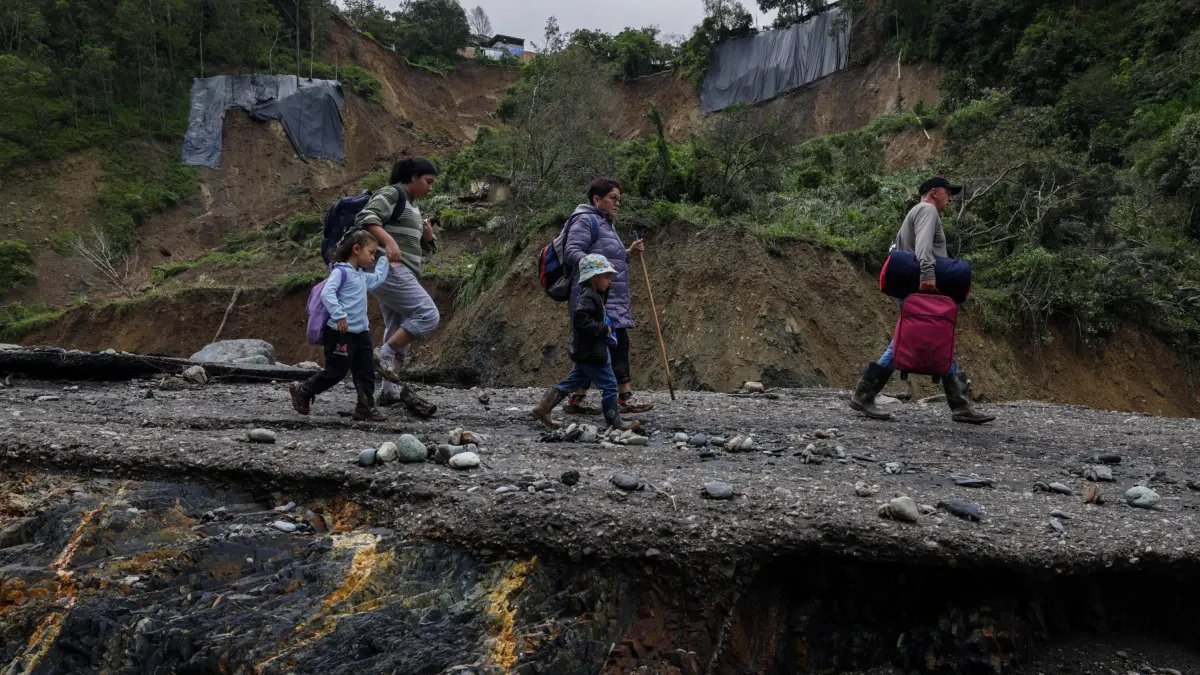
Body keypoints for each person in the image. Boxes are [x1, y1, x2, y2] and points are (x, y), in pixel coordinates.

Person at [850, 176, 995, 424]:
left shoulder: (918, 211)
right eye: (948, 193)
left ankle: (960, 405)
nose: (950, 198)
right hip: (922, 285)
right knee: (914, 341)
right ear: (934, 192)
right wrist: (928, 276)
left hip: (911, 287)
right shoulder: (928, 210)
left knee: (929, 339)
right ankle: (864, 396)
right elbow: (924, 248)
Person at [356, 157, 441, 418]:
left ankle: (388, 390)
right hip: (389, 268)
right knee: (428, 315)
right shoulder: (393, 193)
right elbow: (366, 217)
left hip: (403, 271)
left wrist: (427, 237)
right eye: (428, 181)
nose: (430, 188)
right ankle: (383, 354)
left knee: (397, 327)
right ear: (414, 176)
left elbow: (420, 251)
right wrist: (389, 242)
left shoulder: (412, 207)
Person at [561, 178, 653, 415]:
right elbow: (572, 252)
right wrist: (599, 268)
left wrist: (628, 253)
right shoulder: (586, 220)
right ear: (596, 199)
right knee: (614, 343)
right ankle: (624, 397)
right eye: (613, 198)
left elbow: (606, 257)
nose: (617, 203)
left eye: (619, 199)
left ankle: (577, 397)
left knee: (602, 345)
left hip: (611, 296)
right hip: (594, 297)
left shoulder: (606, 224)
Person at [289, 230, 390, 421]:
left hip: (361, 332)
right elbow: (328, 293)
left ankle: (365, 407)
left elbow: (376, 279)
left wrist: (385, 259)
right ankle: (303, 389)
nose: (373, 257)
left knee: (366, 370)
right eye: (371, 252)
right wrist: (339, 315)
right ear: (356, 249)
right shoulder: (340, 271)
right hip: (339, 332)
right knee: (336, 372)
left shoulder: (360, 275)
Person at [531, 254, 637, 431]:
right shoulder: (588, 297)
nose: (609, 281)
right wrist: (602, 328)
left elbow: (602, 300)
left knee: (572, 381)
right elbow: (581, 320)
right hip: (592, 352)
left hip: (584, 351)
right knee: (610, 385)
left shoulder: (594, 293)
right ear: (594, 278)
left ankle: (543, 408)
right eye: (606, 277)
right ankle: (615, 422)